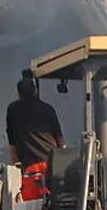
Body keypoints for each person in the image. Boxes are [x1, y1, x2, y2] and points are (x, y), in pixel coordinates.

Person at [6, 72, 65, 201]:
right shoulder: (48, 109)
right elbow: (60, 140)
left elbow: (12, 145)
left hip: (31, 170)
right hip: (51, 166)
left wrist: (16, 169)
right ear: (36, 91)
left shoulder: (13, 110)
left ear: (18, 94)